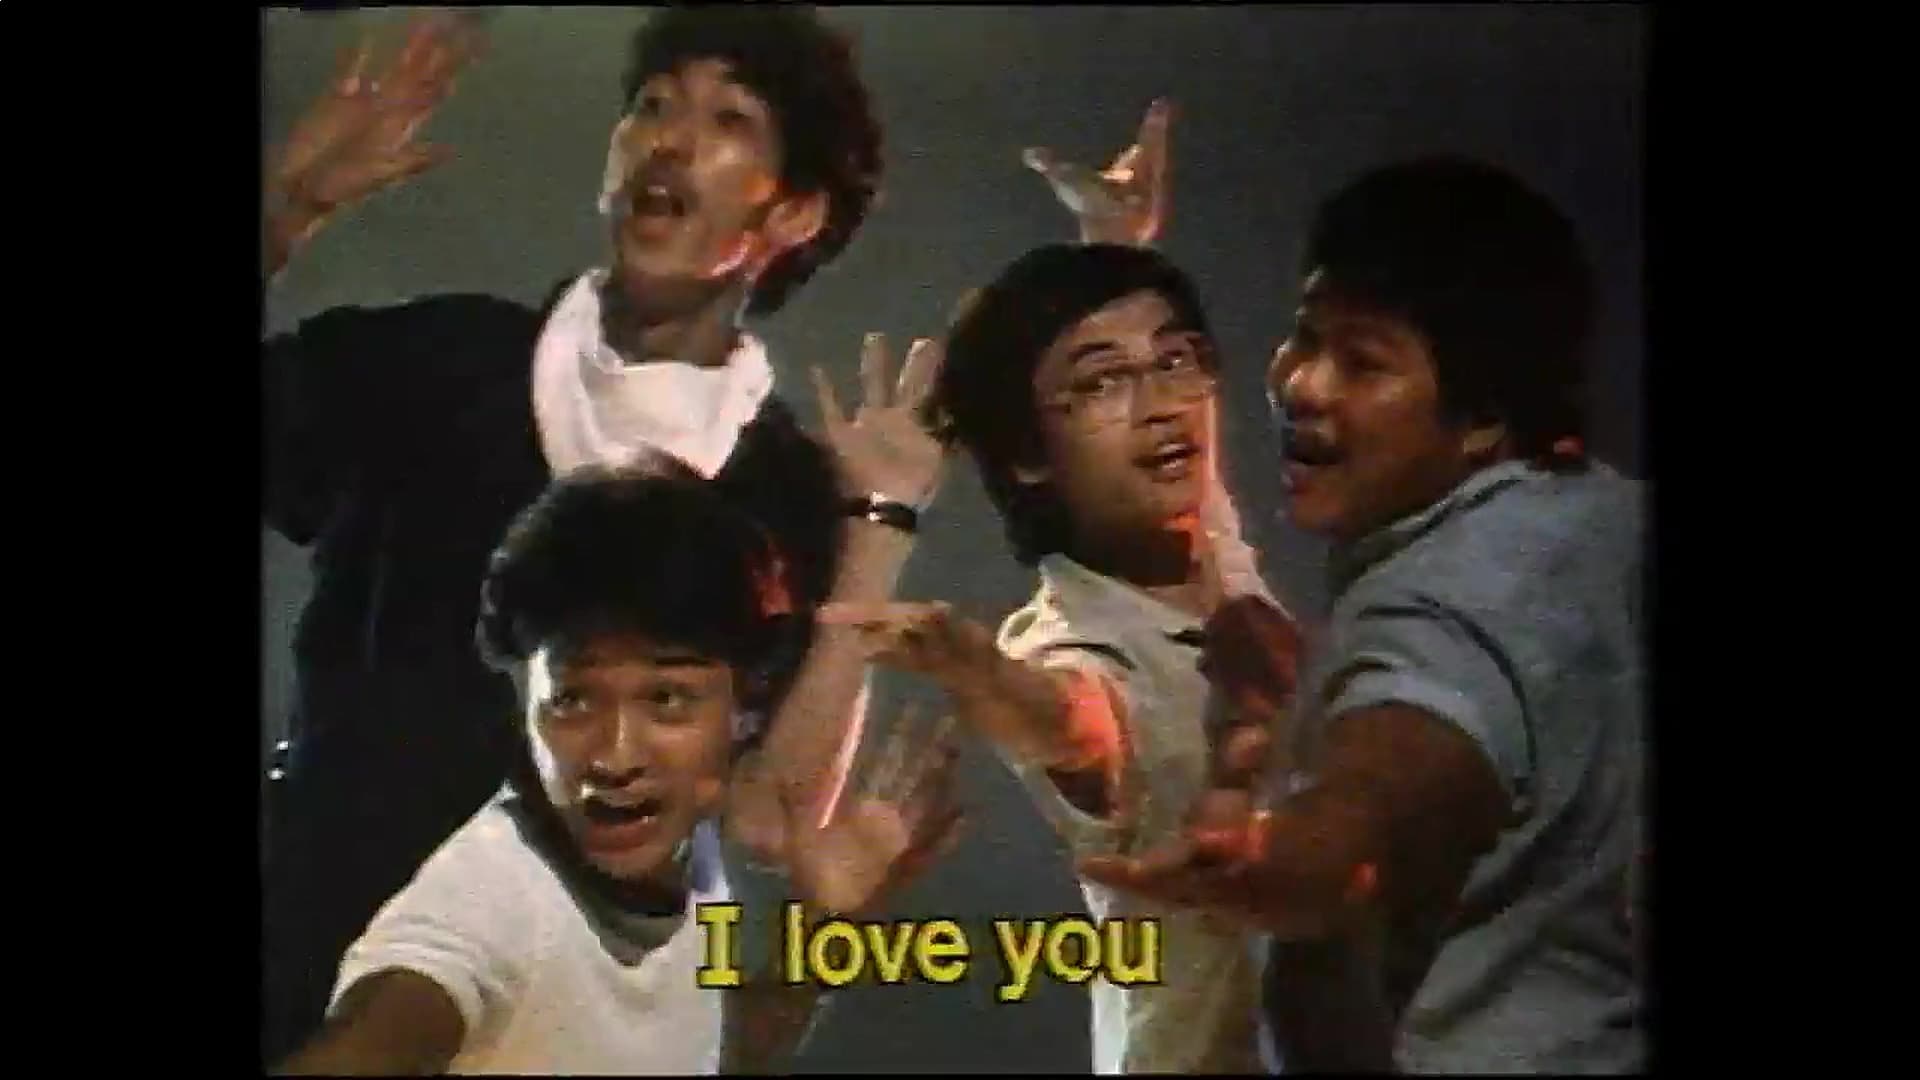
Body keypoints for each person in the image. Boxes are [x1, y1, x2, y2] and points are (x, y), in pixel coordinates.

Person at [260, 7, 946, 1060]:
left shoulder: (783, 492)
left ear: (797, 211)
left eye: (727, 120)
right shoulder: (438, 362)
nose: (670, 139)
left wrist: (880, 521)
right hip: (320, 962)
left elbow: (770, 812)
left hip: (585, 1006)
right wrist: (282, 209)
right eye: (652, 107)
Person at [1078, 157, 1646, 1072]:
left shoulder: (1442, 599)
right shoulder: (1594, 517)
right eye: (1306, 337)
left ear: (1481, 415)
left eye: (1364, 361)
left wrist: (1287, 855)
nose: (1301, 383)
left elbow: (1387, 780)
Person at [273, 458, 963, 1075]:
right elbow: (383, 1031)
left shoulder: (685, 854)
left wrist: (820, 933)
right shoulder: (485, 911)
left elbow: (710, 1050)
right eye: (572, 700)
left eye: (667, 700)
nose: (615, 757)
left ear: (743, 707)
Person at [821, 241, 1282, 1074]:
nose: (1162, 405)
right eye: (1101, 383)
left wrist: (1119, 233)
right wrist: (982, 673)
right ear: (1027, 452)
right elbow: (1076, 724)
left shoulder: (1212, 558)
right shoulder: (1068, 640)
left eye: (1175, 360)